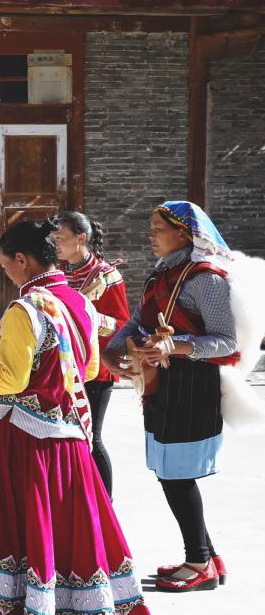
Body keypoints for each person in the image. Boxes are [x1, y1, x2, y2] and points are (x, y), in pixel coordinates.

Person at [0, 219, 158, 615]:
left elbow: (10, 379)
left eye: (5, 267)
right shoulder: (78, 300)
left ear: (22, 260)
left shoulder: (26, 309)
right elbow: (89, 367)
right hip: (69, 437)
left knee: (23, 536)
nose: (6, 275)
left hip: (25, 443)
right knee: (70, 537)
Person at [102, 202, 258, 592]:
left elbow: (226, 342)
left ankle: (198, 563)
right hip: (164, 384)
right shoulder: (164, 272)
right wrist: (113, 351)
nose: (150, 235)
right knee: (170, 471)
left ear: (184, 234)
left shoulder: (205, 279)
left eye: (158, 228)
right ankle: (208, 556)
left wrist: (176, 345)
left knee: (177, 476)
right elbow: (137, 321)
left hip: (191, 386)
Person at [54, 210, 130, 494]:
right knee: (66, 437)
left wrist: (87, 316)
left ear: (81, 238)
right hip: (63, 365)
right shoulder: (58, 273)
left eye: (61, 238)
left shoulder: (107, 276)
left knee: (91, 437)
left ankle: (105, 502)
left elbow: (123, 326)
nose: (56, 243)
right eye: (54, 238)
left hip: (96, 369)